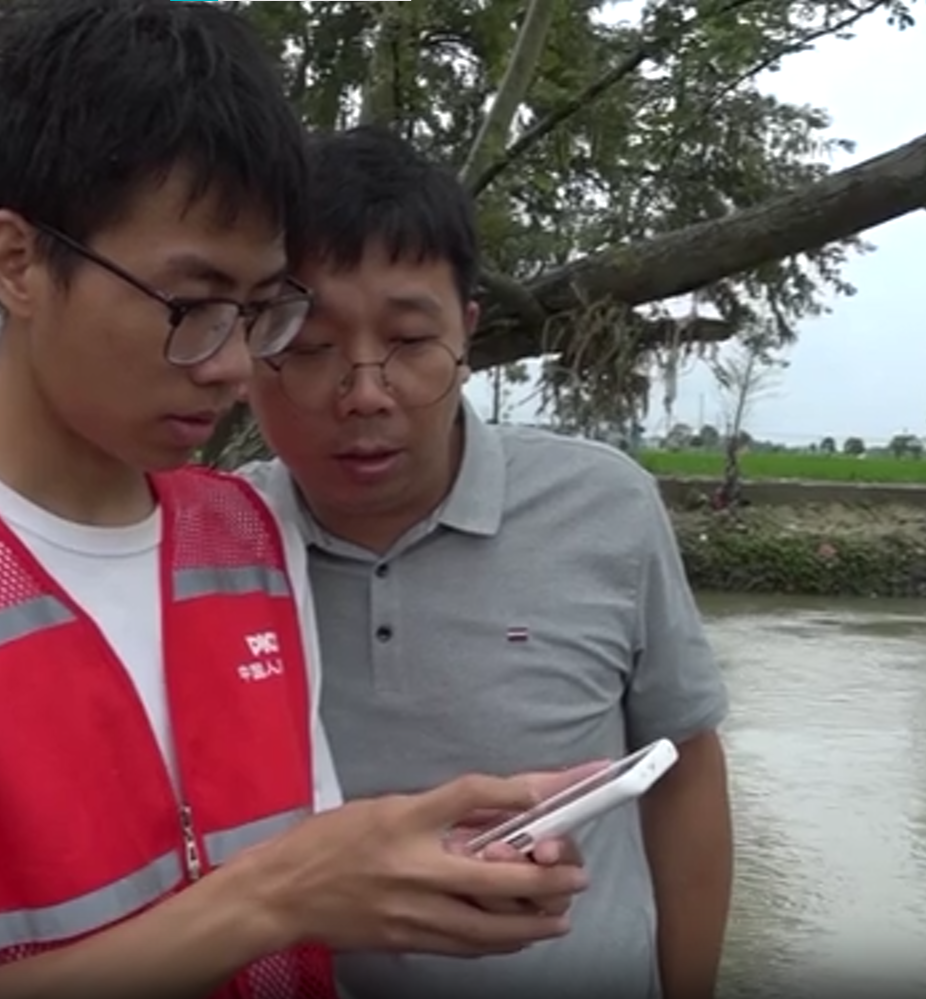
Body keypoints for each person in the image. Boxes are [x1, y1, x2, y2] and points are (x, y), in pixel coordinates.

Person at [0, 5, 597, 999]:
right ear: (19, 262)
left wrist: (415, 871)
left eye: (260, 312)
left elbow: (303, 884)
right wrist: (274, 900)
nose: (229, 366)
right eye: (191, 306)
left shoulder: (250, 536)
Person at [241, 125, 735, 999]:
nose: (363, 392)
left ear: (465, 336)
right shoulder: (216, 541)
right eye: (309, 346)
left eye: (407, 341)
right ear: (245, 344)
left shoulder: (607, 506)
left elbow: (682, 768)